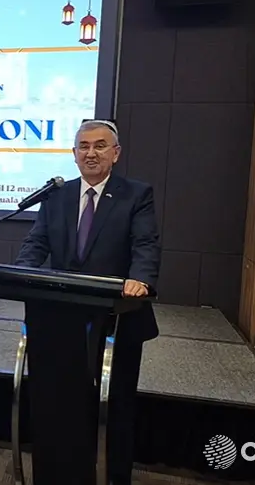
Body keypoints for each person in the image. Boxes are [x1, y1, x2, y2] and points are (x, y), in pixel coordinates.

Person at [15, 119, 160, 485]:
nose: (90, 153)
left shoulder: (136, 194)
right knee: (62, 403)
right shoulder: (56, 196)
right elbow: (37, 242)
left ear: (116, 153)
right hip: (61, 319)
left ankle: (112, 475)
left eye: (99, 145)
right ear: (74, 153)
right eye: (84, 146)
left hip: (117, 317)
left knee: (115, 405)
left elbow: (145, 244)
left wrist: (141, 279)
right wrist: (21, 272)